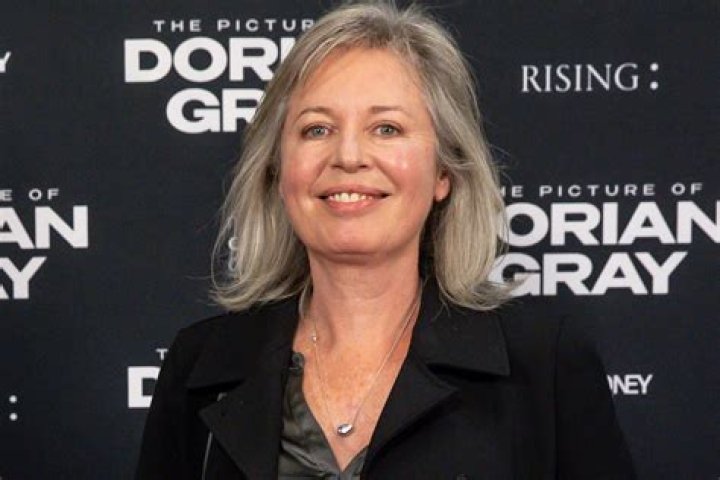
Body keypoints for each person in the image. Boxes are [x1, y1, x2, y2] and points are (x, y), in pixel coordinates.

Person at [136, 2, 636, 478]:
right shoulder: (201, 365)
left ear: (444, 171)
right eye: (317, 130)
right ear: (278, 168)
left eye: (387, 128)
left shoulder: (544, 365)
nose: (348, 155)